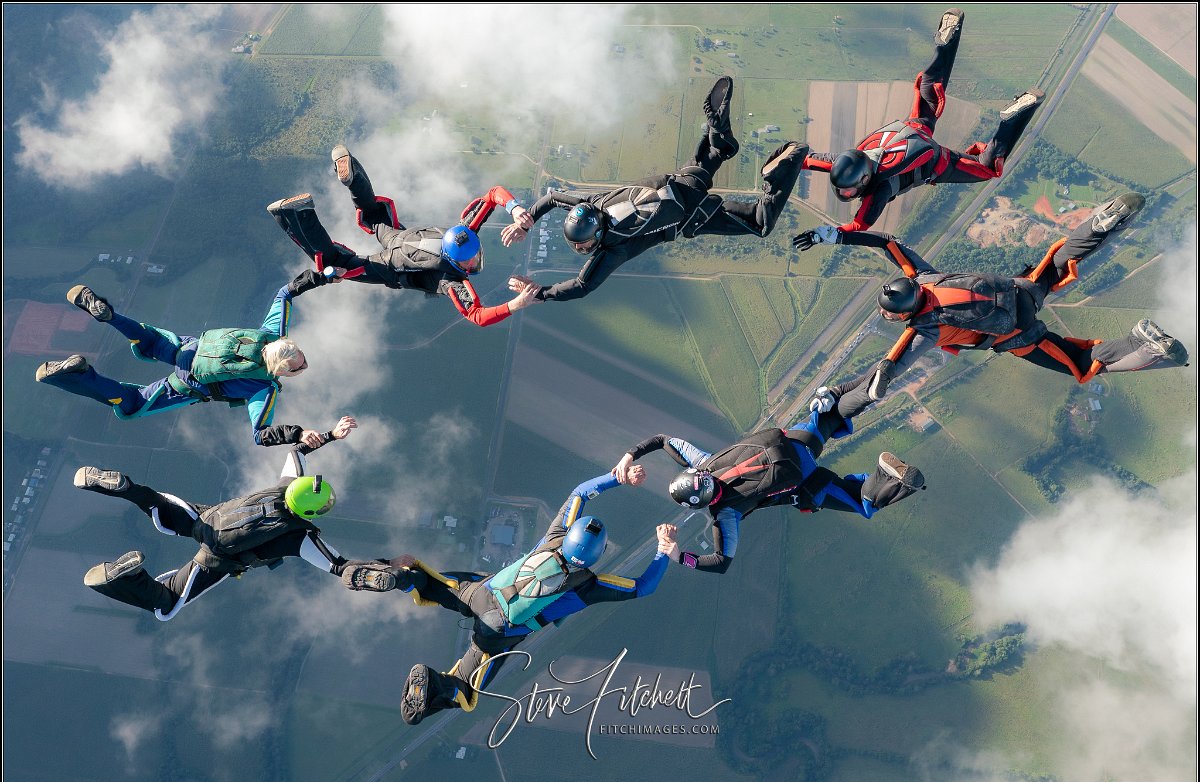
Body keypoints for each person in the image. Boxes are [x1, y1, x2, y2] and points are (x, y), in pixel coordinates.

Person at [340, 468, 674, 724]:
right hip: (498, 632)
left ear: (571, 534)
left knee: (434, 584)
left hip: (480, 593)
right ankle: (438, 689)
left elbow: (580, 492)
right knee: (467, 687)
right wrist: (663, 549)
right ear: (596, 556)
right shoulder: (587, 585)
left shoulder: (555, 536)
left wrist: (618, 477)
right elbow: (643, 587)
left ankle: (403, 579)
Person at [803, 192, 1189, 406]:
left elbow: (887, 367)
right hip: (1019, 289)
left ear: (903, 314)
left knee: (1082, 364)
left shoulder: (923, 329)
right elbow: (888, 243)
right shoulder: (922, 276)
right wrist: (836, 235)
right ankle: (1100, 224)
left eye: (889, 315)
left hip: (1019, 334)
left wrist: (848, 394)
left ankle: (1147, 347)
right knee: (1058, 261)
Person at [500, 76, 808, 302]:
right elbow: (553, 198)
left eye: (582, 245)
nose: (582, 250)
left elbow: (582, 286)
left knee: (760, 223)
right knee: (719, 151)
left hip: (691, 214)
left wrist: (540, 294)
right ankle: (717, 128)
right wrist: (527, 219)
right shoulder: (592, 202)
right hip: (680, 180)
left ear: (596, 235)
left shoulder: (613, 248)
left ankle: (782, 170)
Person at [75, 416, 383, 619]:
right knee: (167, 604)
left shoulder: (286, 485)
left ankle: (126, 488)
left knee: (158, 503)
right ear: (309, 513)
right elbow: (338, 566)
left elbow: (298, 451)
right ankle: (124, 579)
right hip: (217, 557)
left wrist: (332, 435)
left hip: (208, 518)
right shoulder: (300, 536)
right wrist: (381, 570)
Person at [793, 8, 1043, 247]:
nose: (844, 194)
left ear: (864, 179)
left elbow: (858, 225)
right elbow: (808, 160)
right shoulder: (847, 161)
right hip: (913, 131)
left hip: (936, 163)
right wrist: (781, 160)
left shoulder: (877, 190)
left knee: (988, 169)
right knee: (929, 97)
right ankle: (944, 46)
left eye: (848, 191)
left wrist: (820, 236)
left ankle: (1012, 119)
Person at [611, 387, 926, 574]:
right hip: (792, 443)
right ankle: (868, 389)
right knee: (829, 413)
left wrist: (678, 556)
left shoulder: (725, 514)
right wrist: (629, 456)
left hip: (807, 483)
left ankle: (887, 477)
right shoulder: (703, 462)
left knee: (863, 503)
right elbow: (663, 440)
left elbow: (721, 562)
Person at [35, 281, 333, 448]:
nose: (304, 366)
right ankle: (83, 374)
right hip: (189, 382)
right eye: (300, 365)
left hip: (189, 348)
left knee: (149, 340)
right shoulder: (265, 389)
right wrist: (298, 434)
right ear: (282, 370)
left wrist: (324, 275)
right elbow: (261, 435)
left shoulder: (271, 334)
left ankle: (109, 316)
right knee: (133, 404)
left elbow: (285, 292)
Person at [267, 145, 540, 327]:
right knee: (335, 262)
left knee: (373, 212)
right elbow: (478, 316)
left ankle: (353, 177)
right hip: (389, 267)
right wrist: (515, 305)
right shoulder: (450, 280)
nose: (473, 262)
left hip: (399, 238)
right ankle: (301, 213)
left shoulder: (465, 230)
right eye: (469, 262)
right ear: (454, 262)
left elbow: (493, 194)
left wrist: (514, 208)